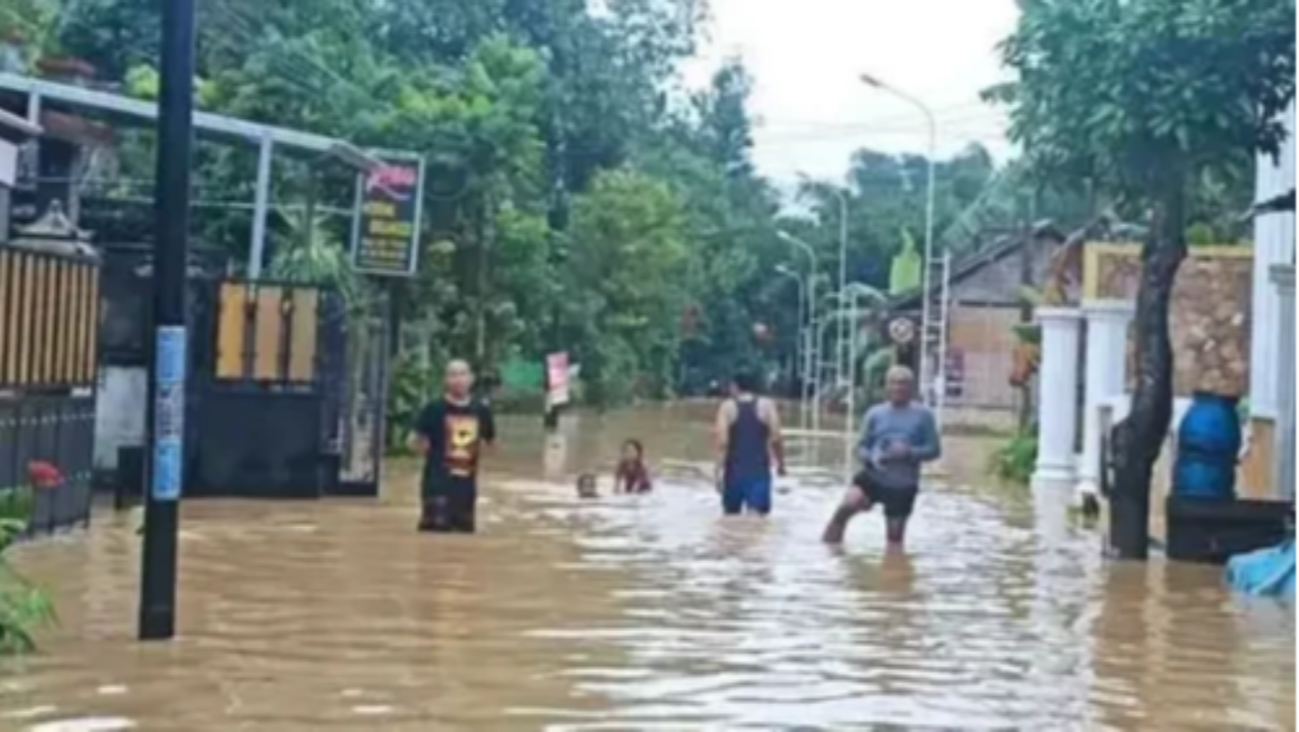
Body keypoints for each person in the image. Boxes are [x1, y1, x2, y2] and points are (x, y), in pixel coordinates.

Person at [822, 365, 941, 549]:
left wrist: (909, 453)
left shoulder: (924, 416)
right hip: (873, 476)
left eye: (903, 384)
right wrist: (871, 458)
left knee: (894, 541)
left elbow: (935, 450)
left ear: (911, 387)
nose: (897, 388)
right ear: (886, 387)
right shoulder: (875, 413)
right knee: (847, 506)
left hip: (903, 484)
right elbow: (860, 447)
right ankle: (828, 552)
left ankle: (893, 572)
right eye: (893, 383)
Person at [411, 360, 497, 534]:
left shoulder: (481, 411)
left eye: (463, 374)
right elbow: (415, 441)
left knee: (463, 538)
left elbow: (490, 443)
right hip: (436, 486)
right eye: (453, 375)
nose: (458, 380)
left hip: (466, 489)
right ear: (445, 380)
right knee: (434, 536)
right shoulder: (433, 409)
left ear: (471, 379)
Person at [714, 369, 786, 516]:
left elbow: (722, 443)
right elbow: (777, 438)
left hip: (733, 473)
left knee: (731, 521)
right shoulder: (767, 405)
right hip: (759, 473)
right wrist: (781, 465)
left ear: (735, 386)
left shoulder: (726, 407)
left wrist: (717, 473)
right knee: (757, 523)